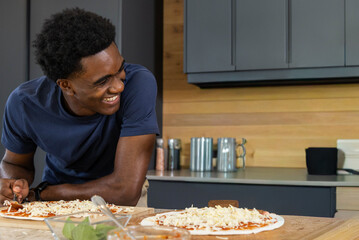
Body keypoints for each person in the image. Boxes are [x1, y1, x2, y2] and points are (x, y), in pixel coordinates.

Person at [0, 8, 159, 207]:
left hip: (114, 200)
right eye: (102, 82)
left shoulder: (139, 84)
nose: (119, 86)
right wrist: (13, 186)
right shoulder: (24, 103)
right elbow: (14, 163)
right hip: (53, 200)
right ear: (66, 86)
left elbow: (124, 190)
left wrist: (42, 193)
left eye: (120, 70)